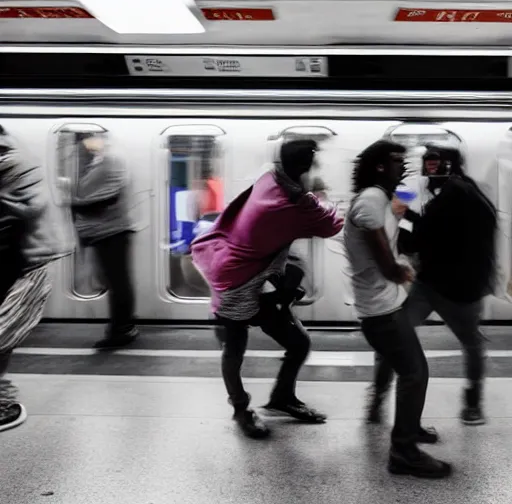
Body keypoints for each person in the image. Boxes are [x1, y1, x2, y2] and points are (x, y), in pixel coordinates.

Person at [191, 139, 343, 439]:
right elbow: (331, 225)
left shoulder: (268, 178)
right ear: (306, 164)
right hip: (235, 279)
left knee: (298, 343)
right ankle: (240, 410)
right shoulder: (294, 203)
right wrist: (320, 197)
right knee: (234, 349)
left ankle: (282, 398)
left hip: (249, 270)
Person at [343, 139, 451, 478]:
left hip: (390, 305)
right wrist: (415, 272)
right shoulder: (370, 202)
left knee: (408, 368)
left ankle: (410, 427)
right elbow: (389, 267)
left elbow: (405, 212)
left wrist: (417, 201)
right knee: (415, 373)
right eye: (395, 161)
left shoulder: (385, 196)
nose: (402, 166)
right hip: (380, 312)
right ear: (378, 166)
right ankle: (403, 452)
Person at [367, 146, 497, 427]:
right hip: (433, 283)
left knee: (468, 341)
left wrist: (410, 226)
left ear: (452, 166)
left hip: (457, 289)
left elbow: (424, 232)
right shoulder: (421, 186)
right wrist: (404, 217)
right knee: (467, 342)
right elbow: (400, 210)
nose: (432, 169)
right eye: (429, 163)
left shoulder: (461, 193)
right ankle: (378, 397)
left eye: (438, 164)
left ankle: (472, 402)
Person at [0, 127, 72, 432]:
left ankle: (3, 404)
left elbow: (20, 213)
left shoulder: (13, 164)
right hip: (19, 261)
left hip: (28, 265)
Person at [71, 133, 138, 350]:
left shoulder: (112, 158)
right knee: (115, 281)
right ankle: (123, 327)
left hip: (112, 230)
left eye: (85, 139)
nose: (84, 144)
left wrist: (76, 205)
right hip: (105, 230)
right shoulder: (103, 159)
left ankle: (121, 330)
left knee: (117, 282)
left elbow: (111, 194)